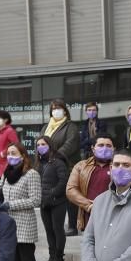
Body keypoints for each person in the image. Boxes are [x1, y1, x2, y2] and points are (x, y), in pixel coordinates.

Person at [0, 142, 41, 261]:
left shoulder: (31, 174)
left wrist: (10, 205)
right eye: (8, 154)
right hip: (8, 223)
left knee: (26, 260)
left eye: (14, 154)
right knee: (15, 260)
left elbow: (36, 200)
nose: (10, 157)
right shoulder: (7, 173)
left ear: (23, 155)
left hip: (25, 223)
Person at [45, 99, 81, 236]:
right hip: (50, 168)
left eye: (58, 108)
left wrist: (54, 156)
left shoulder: (70, 126)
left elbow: (70, 144)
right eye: (53, 108)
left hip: (67, 167)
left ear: (65, 110)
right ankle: (56, 226)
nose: (56, 111)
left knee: (69, 197)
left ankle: (73, 226)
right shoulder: (46, 127)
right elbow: (41, 143)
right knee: (55, 196)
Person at [66, 135, 116, 232]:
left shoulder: (119, 166)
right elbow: (70, 189)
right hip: (89, 217)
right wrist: (89, 205)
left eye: (108, 146)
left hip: (113, 216)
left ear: (114, 149)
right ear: (93, 149)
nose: (105, 148)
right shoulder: (81, 166)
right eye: (101, 145)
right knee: (90, 246)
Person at [36, 135, 69, 261]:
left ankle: (59, 258)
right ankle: (52, 257)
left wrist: (52, 193)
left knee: (57, 229)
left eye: (43, 144)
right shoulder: (40, 163)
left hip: (57, 202)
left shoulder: (58, 162)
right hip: (44, 203)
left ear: (50, 145)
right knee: (49, 230)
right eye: (38, 145)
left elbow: (63, 181)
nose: (40, 147)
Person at [0, 110, 20, 178]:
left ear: (6, 120)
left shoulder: (10, 131)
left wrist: (3, 153)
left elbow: (16, 145)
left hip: (6, 162)